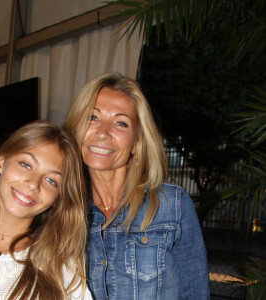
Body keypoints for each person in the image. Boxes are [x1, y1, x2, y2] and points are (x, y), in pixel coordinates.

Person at [64, 72, 210, 299]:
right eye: (93, 117)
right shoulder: (62, 210)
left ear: (136, 142)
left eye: (120, 123)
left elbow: (196, 294)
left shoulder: (173, 206)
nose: (103, 133)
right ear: (76, 127)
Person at [0, 121, 92, 299]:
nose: (33, 184)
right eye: (26, 165)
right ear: (0, 163)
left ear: (57, 199)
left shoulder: (62, 270)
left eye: (51, 180)